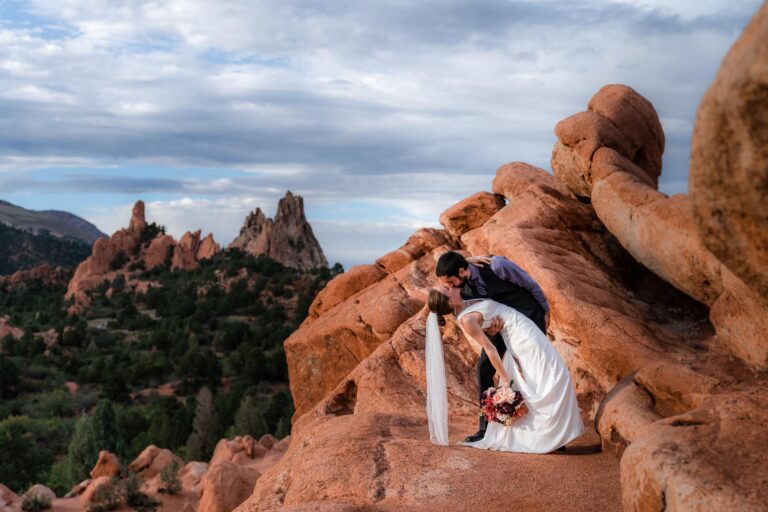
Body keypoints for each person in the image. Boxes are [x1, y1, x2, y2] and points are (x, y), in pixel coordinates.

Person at [425, 285, 584, 453]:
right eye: (446, 288)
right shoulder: (466, 320)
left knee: (544, 379)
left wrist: (491, 329)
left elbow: (489, 321)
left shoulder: (465, 301)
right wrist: (505, 378)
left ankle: (550, 436)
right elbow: (490, 349)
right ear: (450, 301)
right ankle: (549, 436)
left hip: (524, 328)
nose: (449, 285)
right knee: (555, 376)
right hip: (522, 338)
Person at [436, 251, 549, 442]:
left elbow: (530, 284)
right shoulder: (458, 285)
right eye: (447, 284)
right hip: (498, 325)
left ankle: (546, 426)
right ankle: (486, 427)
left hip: (527, 316)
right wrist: (490, 330)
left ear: (461, 271)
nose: (449, 287)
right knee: (484, 368)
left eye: (451, 282)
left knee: (533, 370)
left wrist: (545, 310)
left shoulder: (497, 266)